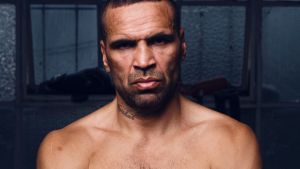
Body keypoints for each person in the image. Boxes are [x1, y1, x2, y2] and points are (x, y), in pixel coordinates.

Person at [37, 0, 262, 168]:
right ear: (104, 56)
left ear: (182, 45)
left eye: (159, 40)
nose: (144, 62)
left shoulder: (232, 142)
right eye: (124, 45)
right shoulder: (65, 149)